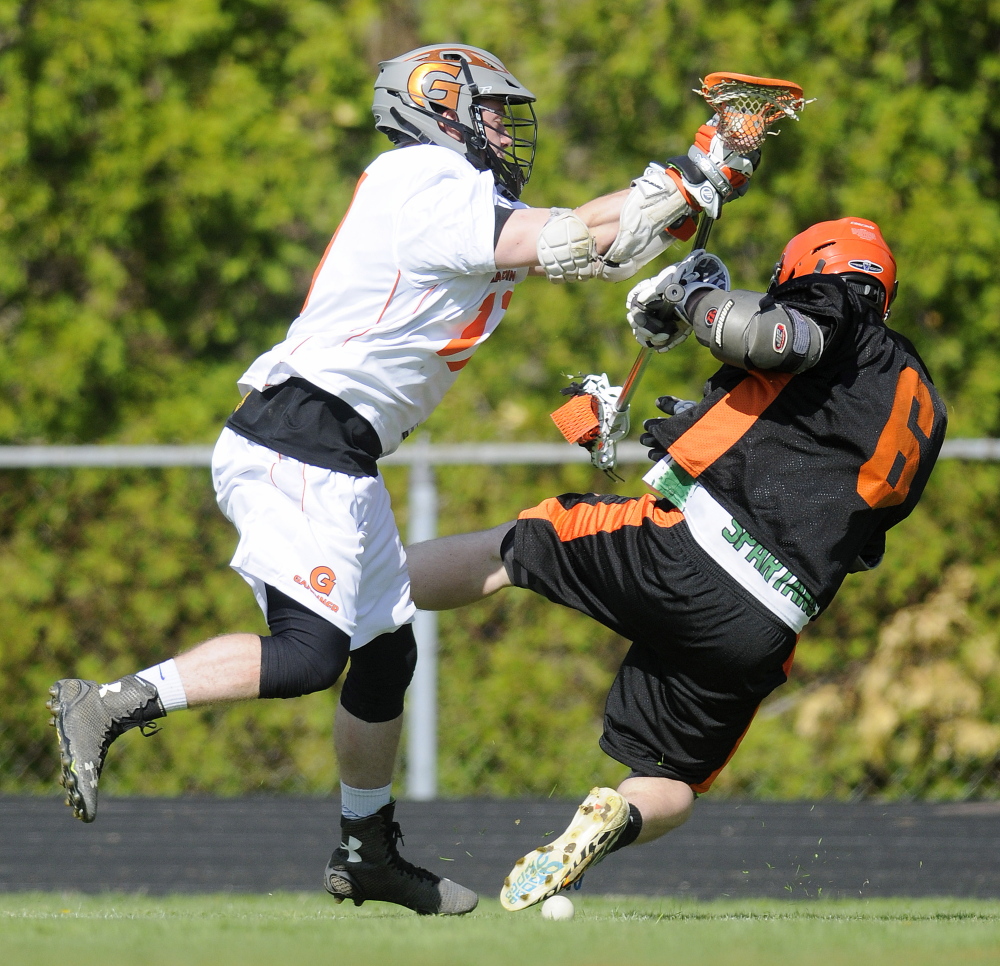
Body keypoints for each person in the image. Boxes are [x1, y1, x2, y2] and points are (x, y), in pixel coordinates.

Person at [46, 44, 755, 916]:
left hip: (329, 444)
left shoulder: (455, 193)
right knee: (312, 657)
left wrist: (696, 190)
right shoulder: (425, 175)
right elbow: (568, 240)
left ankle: (367, 851)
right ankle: (110, 703)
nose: (502, 127)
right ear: (435, 105)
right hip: (302, 434)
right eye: (489, 109)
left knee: (387, 654)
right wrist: (685, 175)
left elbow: (598, 244)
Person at [405, 216, 948, 911]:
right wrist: (708, 418)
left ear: (811, 270)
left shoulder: (836, 308)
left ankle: (344, 593)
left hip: (691, 555)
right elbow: (843, 511)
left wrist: (693, 296)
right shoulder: (924, 404)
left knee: (517, 543)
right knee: (670, 781)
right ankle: (614, 818)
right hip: (769, 624)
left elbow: (766, 336)